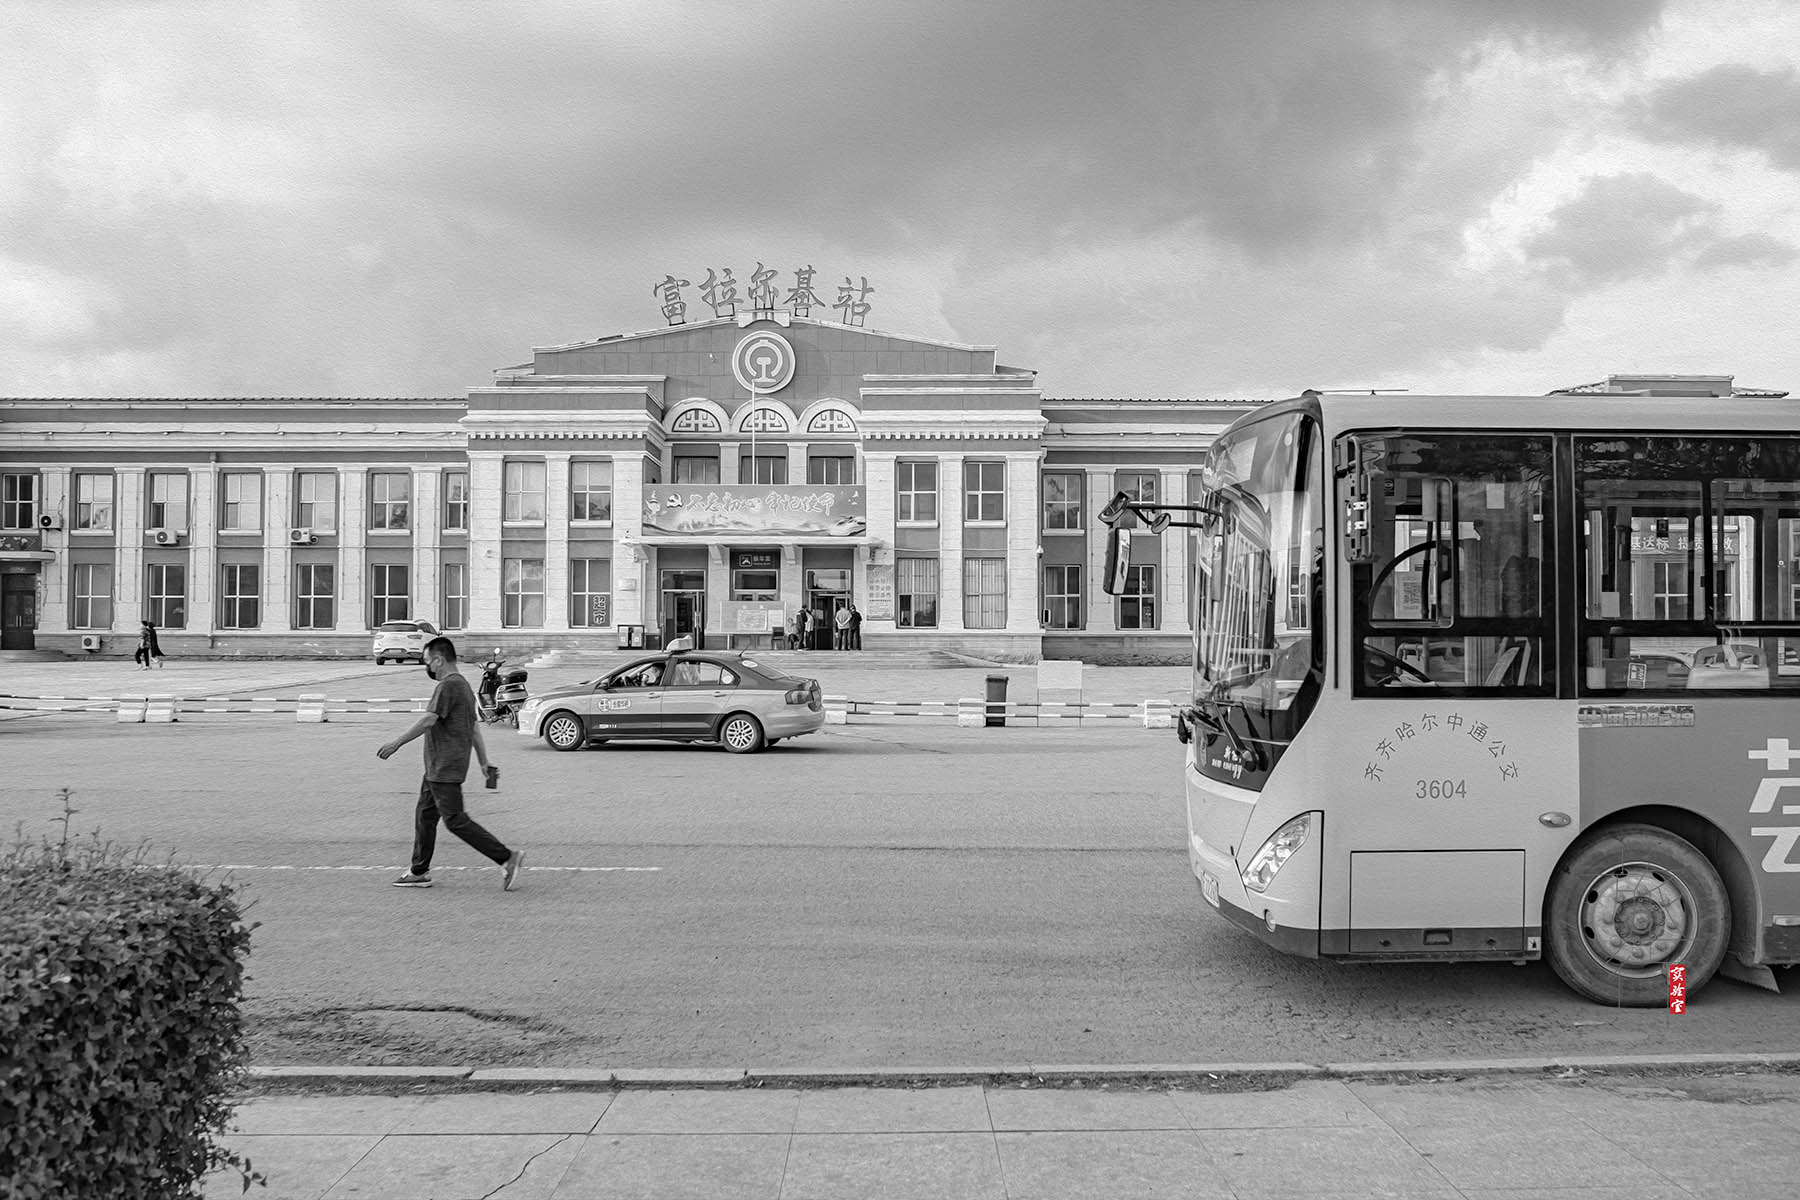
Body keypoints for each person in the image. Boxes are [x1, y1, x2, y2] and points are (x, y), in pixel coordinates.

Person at [378, 636, 524, 891]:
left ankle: (507, 857)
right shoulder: (465, 687)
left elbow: (428, 721)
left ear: (439, 659)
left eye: (427, 661)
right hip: (441, 766)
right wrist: (483, 761)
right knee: (425, 814)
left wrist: (396, 743)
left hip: (444, 767)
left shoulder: (447, 687)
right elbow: (474, 730)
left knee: (455, 820)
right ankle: (418, 870)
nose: (428, 667)